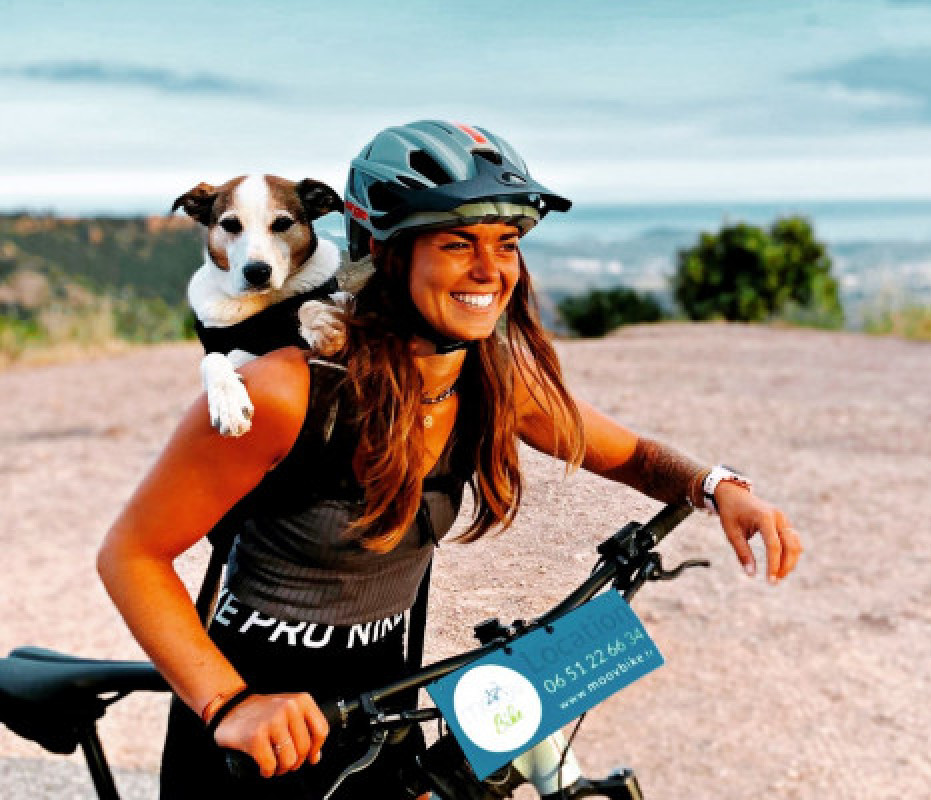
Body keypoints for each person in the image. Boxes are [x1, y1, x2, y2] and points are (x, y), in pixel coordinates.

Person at [97, 120, 802, 798]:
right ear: (386, 249)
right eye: (459, 242)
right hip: (258, 738)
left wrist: (718, 487)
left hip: (384, 711)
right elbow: (132, 555)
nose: (490, 269)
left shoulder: (488, 379)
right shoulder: (284, 390)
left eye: (506, 243)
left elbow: (636, 456)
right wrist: (229, 704)